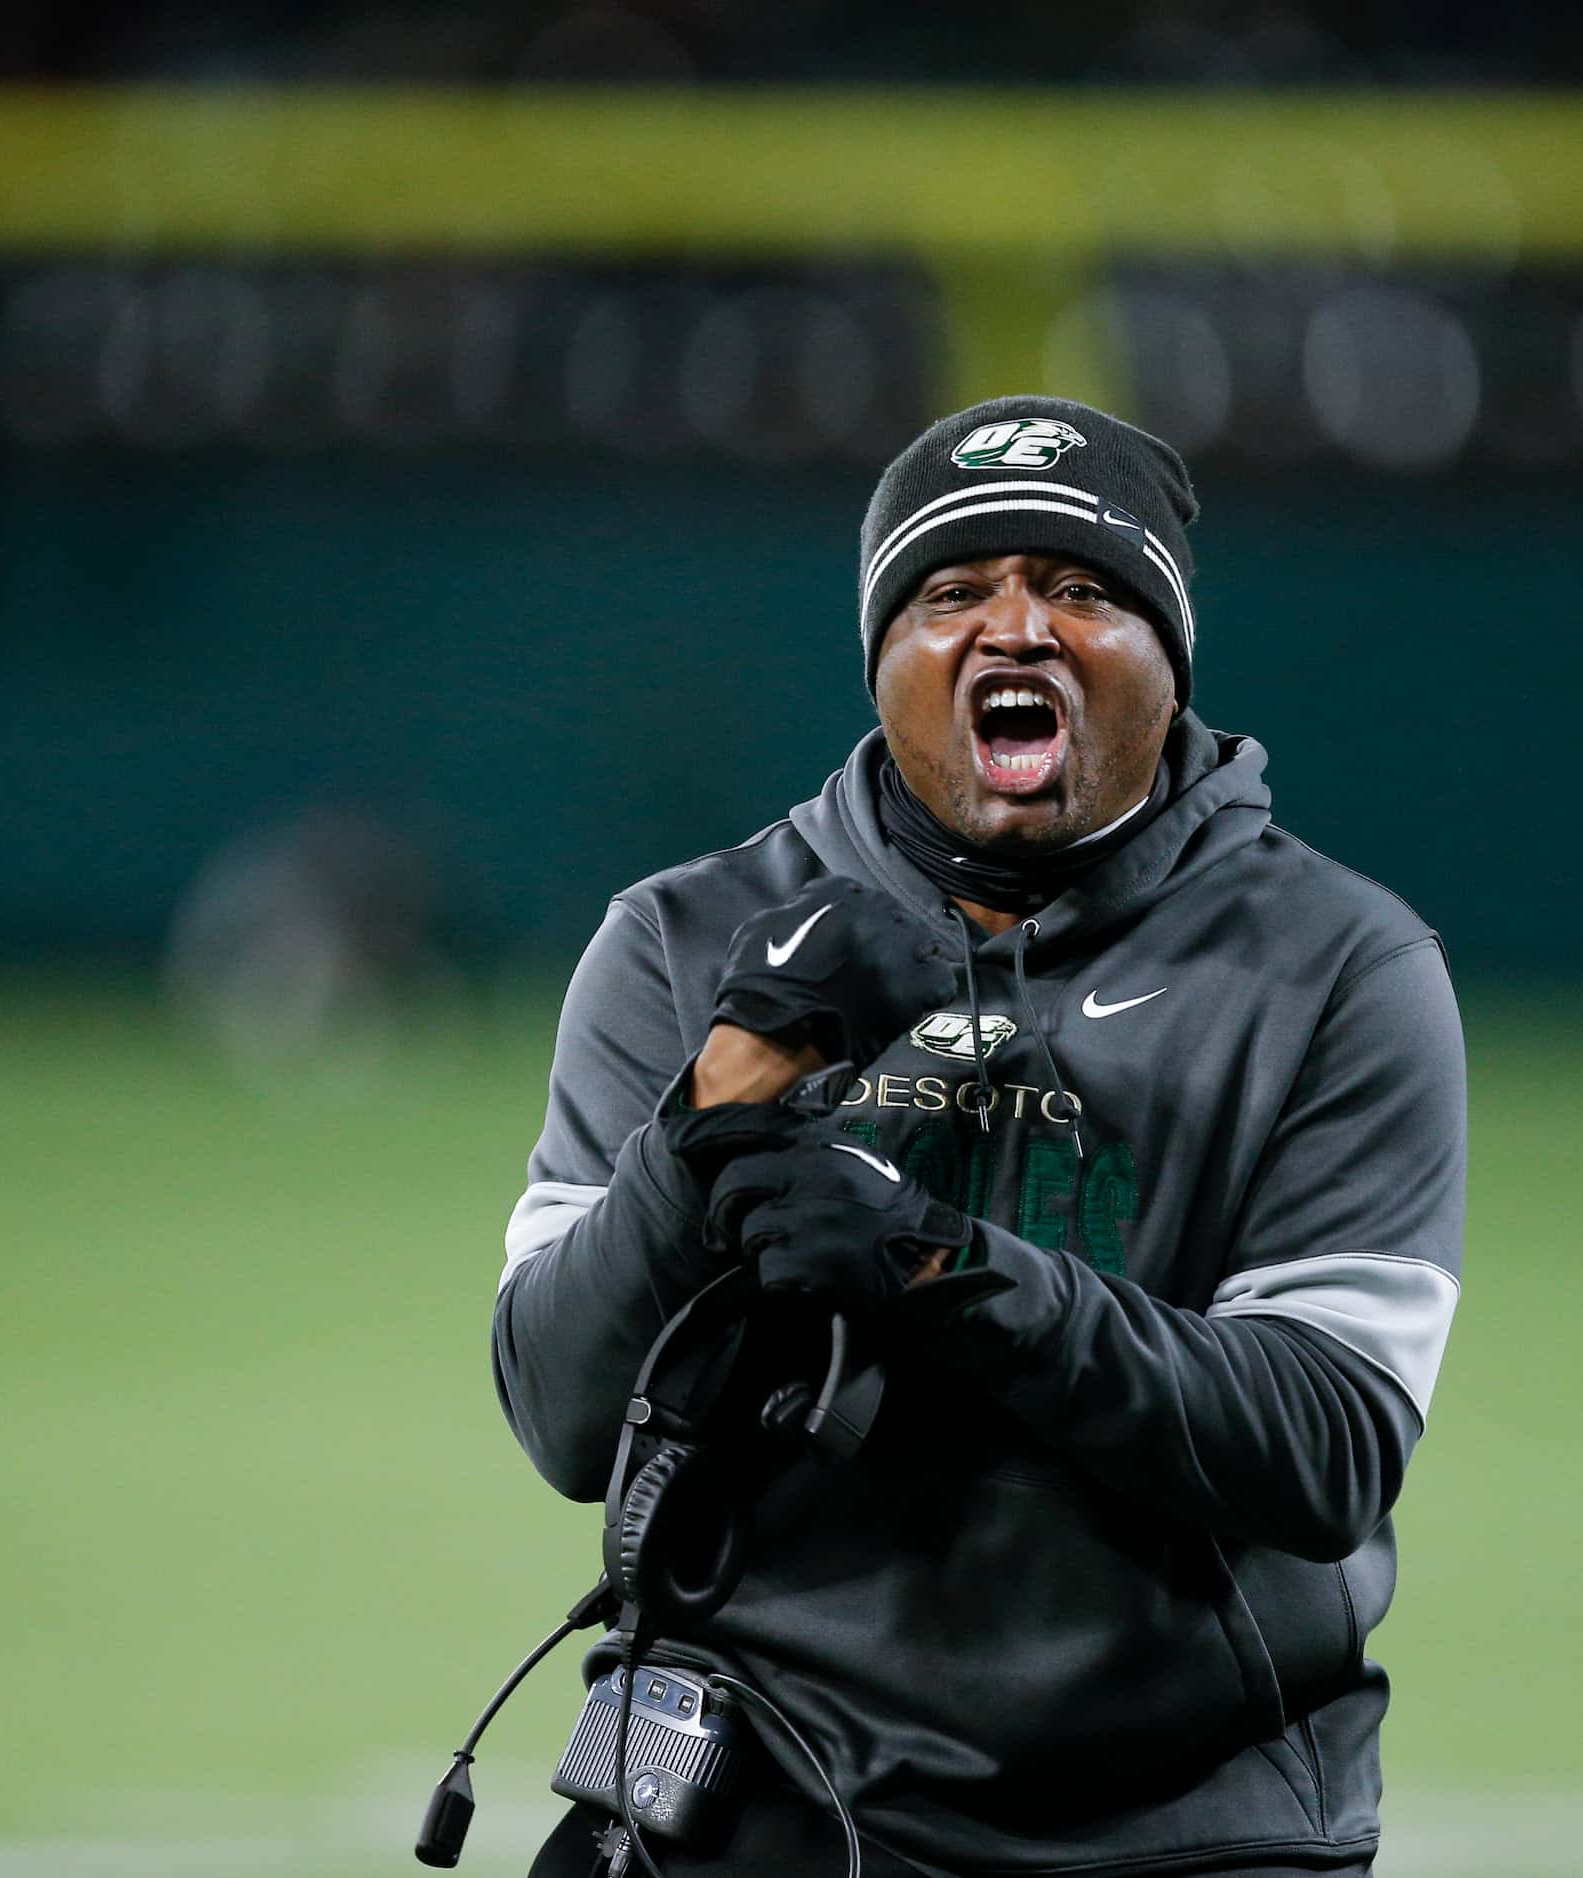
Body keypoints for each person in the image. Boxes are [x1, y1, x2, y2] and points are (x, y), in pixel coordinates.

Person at [494, 396, 1467, 1877]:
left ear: (1169, 657)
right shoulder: (687, 941)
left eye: (1081, 589)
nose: (1015, 627)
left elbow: (1323, 1444)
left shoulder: (1335, 964)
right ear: (886, 658)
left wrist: (935, 1264)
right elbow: (564, 1414)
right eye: (951, 592)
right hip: (733, 1785)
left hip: (1174, 1826)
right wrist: (717, 1110)